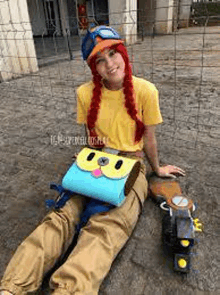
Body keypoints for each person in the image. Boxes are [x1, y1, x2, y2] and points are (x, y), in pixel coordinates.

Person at [0, 26, 185, 295]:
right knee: (61, 216)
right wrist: (85, 158)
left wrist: (156, 169)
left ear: (122, 52)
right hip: (93, 162)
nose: (110, 64)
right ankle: (11, 287)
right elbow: (91, 136)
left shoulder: (146, 90)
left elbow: (148, 140)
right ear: (93, 67)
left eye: (113, 53)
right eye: (100, 59)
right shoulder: (84, 94)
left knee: (107, 226)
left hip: (132, 165)